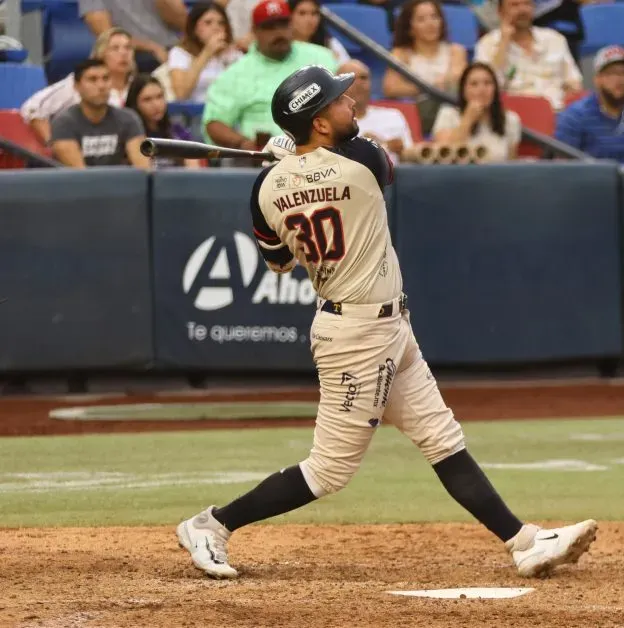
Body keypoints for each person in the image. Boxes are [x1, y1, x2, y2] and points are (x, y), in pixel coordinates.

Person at [175, 64, 598, 580]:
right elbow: (378, 160)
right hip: (357, 338)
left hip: (386, 326)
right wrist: (304, 166)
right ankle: (212, 524)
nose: (350, 101)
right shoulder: (364, 158)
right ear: (320, 123)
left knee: (442, 438)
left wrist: (286, 170)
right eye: (337, 100)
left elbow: (280, 263)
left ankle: (524, 542)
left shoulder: (265, 188)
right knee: (328, 471)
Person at [201, 0, 338, 150]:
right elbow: (214, 123)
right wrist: (242, 143)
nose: (279, 33)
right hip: (263, 158)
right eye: (269, 27)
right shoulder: (236, 72)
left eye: (283, 25)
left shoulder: (320, 57)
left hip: (321, 152)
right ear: (255, 31)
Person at [20, 27, 134, 144]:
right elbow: (32, 107)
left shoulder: (139, 85)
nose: (124, 53)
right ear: (101, 53)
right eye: (115, 48)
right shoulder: (79, 82)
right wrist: (53, 143)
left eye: (128, 48)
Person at [554, 46, 624, 163]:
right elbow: (564, 170)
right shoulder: (575, 116)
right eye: (612, 73)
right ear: (597, 79)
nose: (619, 79)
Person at [474, 0, 583, 111]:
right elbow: (486, 89)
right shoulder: (487, 44)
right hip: (516, 116)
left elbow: (574, 83)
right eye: (514, 5)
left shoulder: (554, 39)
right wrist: (504, 43)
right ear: (500, 11)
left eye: (527, 4)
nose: (522, 10)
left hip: (557, 111)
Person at [383, 0, 468, 132]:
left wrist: (442, 84)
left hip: (451, 108)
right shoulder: (401, 53)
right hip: (421, 113)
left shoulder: (456, 51)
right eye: (421, 19)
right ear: (410, 27)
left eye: (434, 17)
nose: (430, 24)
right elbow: (391, 88)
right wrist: (428, 86)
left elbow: (458, 79)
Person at [50, 59, 149, 169]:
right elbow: (79, 175)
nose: (101, 86)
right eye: (93, 80)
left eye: (106, 79)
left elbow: (143, 169)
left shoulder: (128, 119)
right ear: (77, 86)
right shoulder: (63, 123)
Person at [432, 62, 522, 162]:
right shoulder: (448, 114)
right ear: (463, 90)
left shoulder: (510, 119)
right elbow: (443, 156)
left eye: (488, 83)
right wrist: (468, 119)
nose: (482, 89)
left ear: (495, 89)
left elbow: (511, 163)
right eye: (474, 84)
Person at [339, 60, 414, 164]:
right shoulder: (330, 123)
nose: (359, 83)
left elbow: (411, 159)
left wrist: (401, 151)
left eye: (363, 78)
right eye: (351, 79)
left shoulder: (393, 116)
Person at [78, 0, 186, 72]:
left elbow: (183, 23)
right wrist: (152, 47)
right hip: (133, 52)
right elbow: (106, 36)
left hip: (171, 47)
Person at [168, 2, 242, 102]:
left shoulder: (233, 54)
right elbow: (181, 94)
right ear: (194, 29)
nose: (216, 28)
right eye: (208, 22)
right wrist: (207, 53)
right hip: (194, 113)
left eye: (221, 23)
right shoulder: (179, 53)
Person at [126, 74, 202, 168]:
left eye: (159, 96)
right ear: (135, 104)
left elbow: (194, 167)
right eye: (147, 99)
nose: (156, 104)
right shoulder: (131, 136)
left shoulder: (177, 131)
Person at [289, 0, 351, 65]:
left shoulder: (330, 43)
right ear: (289, 16)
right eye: (302, 13)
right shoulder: (282, 45)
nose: (309, 20)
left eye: (314, 13)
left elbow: (348, 69)